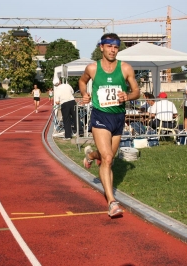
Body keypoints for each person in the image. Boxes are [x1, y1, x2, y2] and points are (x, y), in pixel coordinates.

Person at [79, 33, 140, 218]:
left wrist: (127, 96)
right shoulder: (92, 68)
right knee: (106, 158)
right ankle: (112, 202)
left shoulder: (126, 68)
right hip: (100, 116)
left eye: (116, 47)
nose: (113, 50)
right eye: (109, 46)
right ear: (102, 47)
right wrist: (84, 94)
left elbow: (137, 91)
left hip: (118, 118)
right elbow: (82, 81)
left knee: (109, 158)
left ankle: (90, 155)